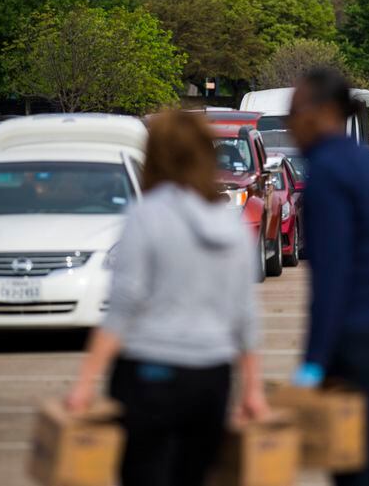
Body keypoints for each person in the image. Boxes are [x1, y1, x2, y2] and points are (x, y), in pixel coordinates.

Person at [66, 111, 268, 486]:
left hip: (150, 372)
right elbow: (245, 315)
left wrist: (85, 382)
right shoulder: (231, 225)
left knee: (145, 473)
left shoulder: (146, 216)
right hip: (212, 377)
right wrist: (253, 389)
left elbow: (125, 303)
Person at [287, 68, 369, 486]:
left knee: (352, 467)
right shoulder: (367, 164)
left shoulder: (326, 172)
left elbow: (332, 276)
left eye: (296, 111)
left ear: (323, 112)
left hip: (356, 338)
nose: (290, 123)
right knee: (366, 461)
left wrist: (313, 361)